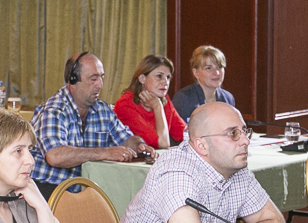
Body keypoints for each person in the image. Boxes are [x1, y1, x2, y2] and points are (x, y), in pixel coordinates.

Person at [100, 102, 286, 223]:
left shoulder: (236, 170)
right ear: (201, 145)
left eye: (244, 131)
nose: (245, 141)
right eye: (232, 134)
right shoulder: (177, 170)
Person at [29, 51, 156, 200]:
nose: (100, 85)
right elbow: (55, 156)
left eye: (101, 78)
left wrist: (139, 146)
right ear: (72, 80)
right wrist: (104, 153)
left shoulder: (102, 109)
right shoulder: (54, 110)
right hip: (47, 190)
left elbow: (126, 139)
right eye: (93, 79)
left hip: (84, 190)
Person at [113, 54, 187, 150]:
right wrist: (157, 107)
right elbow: (162, 144)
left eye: (168, 77)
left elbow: (184, 134)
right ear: (142, 79)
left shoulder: (164, 99)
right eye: (159, 76)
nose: (166, 82)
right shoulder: (125, 104)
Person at [171, 45, 235, 123]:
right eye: (208, 68)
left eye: (219, 67)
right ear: (195, 73)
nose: (217, 73)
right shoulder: (183, 98)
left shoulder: (228, 98)